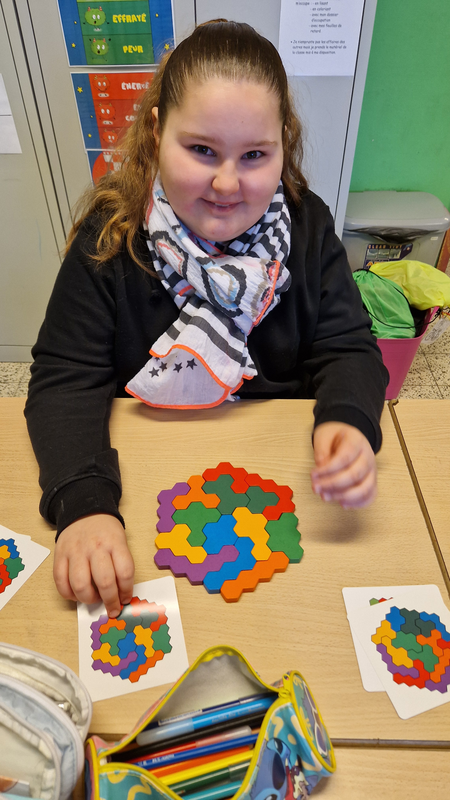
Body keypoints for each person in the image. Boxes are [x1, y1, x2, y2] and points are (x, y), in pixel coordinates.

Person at [25, 20, 388, 619]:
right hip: (149, 483)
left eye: (254, 155)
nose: (226, 182)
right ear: (156, 132)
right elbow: (65, 380)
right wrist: (84, 502)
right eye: (201, 150)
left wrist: (347, 421)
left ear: (282, 144)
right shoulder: (110, 238)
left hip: (282, 489)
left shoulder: (307, 226)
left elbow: (348, 347)